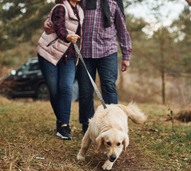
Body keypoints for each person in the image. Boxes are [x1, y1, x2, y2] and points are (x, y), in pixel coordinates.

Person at [44, 0, 131, 135]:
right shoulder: (82, 2)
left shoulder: (113, 4)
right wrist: (48, 22)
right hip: (85, 53)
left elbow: (122, 29)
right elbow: (62, 11)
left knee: (109, 87)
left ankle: (114, 125)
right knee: (85, 91)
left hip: (108, 52)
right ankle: (87, 126)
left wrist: (126, 55)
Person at [37, 0, 84, 140]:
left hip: (68, 56)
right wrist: (67, 36)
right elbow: (59, 26)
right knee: (54, 90)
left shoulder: (81, 11)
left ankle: (64, 126)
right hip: (49, 53)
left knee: (66, 88)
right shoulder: (60, 7)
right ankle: (60, 121)